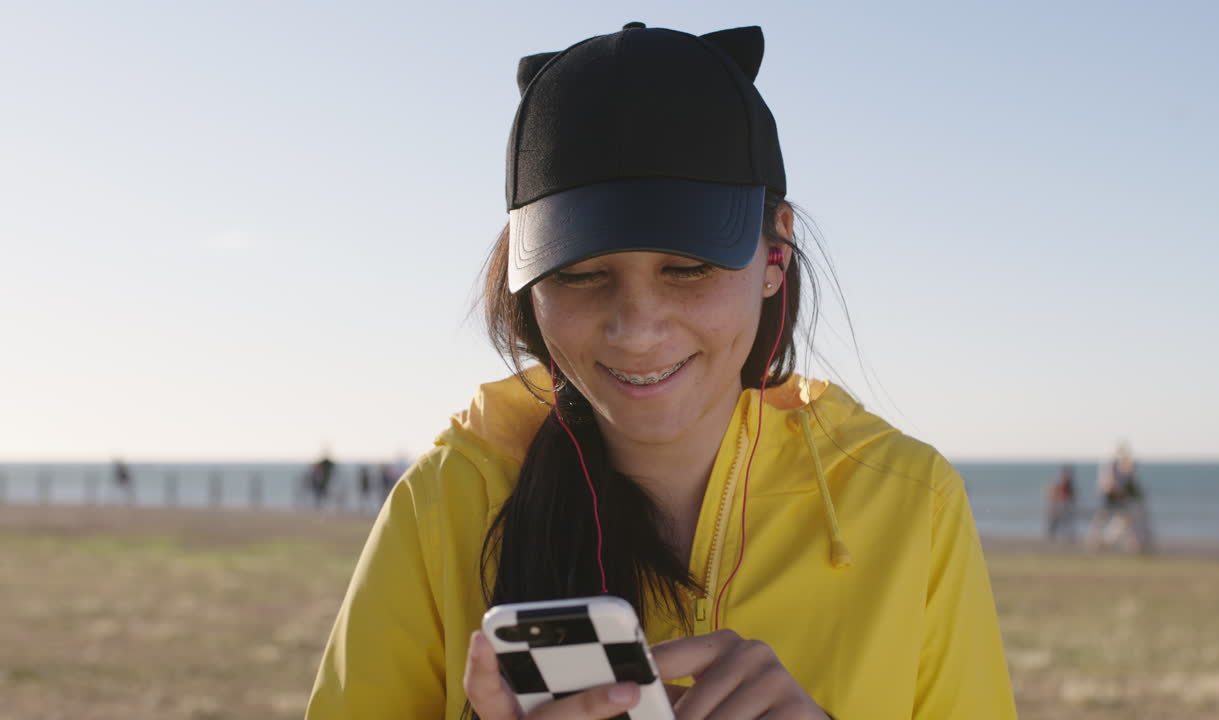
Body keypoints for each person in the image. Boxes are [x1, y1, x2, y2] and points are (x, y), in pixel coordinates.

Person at [307, 23, 1016, 719]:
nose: (636, 330)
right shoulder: (444, 507)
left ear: (775, 255)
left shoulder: (909, 506)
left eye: (687, 267)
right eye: (581, 275)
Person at [1045, 463, 1076, 543]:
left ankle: (1065, 535)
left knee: (1065, 521)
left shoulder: (1067, 483)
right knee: (1058, 521)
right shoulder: (1062, 482)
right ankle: (1053, 536)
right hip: (1060, 505)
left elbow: (1071, 495)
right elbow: (1054, 493)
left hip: (1065, 505)